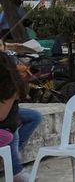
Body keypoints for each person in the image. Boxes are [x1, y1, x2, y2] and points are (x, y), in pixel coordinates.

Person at [0, 53, 40, 182]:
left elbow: (1, 115)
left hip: (5, 116)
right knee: (11, 129)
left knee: (31, 117)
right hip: (7, 119)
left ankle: (12, 162)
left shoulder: (9, 86)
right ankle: (15, 167)